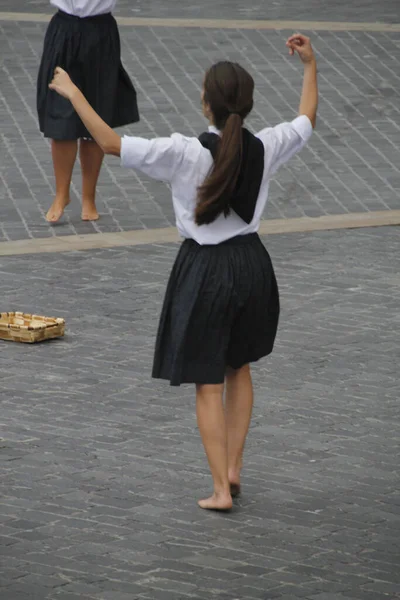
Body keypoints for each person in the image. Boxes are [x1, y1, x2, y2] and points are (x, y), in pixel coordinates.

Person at [48, 33, 318, 511]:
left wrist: (74, 94)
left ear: (205, 104)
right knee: (240, 368)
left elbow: (110, 142)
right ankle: (234, 470)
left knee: (207, 383)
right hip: (253, 264)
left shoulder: (182, 152)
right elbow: (306, 119)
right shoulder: (267, 145)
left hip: (206, 270)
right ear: (247, 105)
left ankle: (218, 490)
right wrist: (310, 66)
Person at [37, 0, 139, 223]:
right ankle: (61, 194)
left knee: (96, 113)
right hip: (64, 26)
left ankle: (88, 197)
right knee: (60, 112)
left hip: (101, 30)